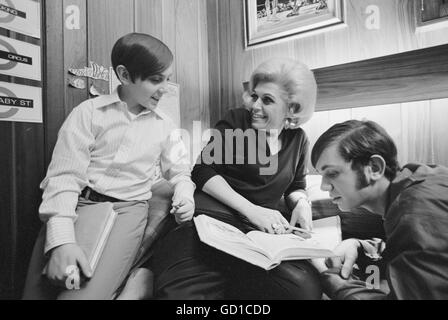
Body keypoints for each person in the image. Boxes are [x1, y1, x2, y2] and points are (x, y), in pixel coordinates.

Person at [22, 33, 195, 300]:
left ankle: (139, 281)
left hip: (129, 211)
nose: (164, 89)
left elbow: (180, 172)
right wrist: (62, 240)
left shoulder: (165, 125)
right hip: (79, 207)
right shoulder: (88, 113)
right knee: (38, 293)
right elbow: (64, 178)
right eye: (155, 80)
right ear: (125, 75)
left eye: (167, 79)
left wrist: (185, 195)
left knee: (78, 297)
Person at [149, 58, 321, 299]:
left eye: (267, 100)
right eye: (254, 96)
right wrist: (252, 210)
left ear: (292, 108)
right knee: (180, 295)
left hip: (258, 234)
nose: (255, 106)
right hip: (211, 218)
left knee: (304, 290)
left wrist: (302, 203)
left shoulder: (299, 140)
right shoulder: (236, 121)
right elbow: (202, 171)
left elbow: (297, 186)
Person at [309, 120, 448, 300]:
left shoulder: (416, 212)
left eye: (333, 173)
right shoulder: (420, 183)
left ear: (374, 168)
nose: (324, 187)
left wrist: (329, 277)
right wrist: (361, 246)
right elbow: (418, 250)